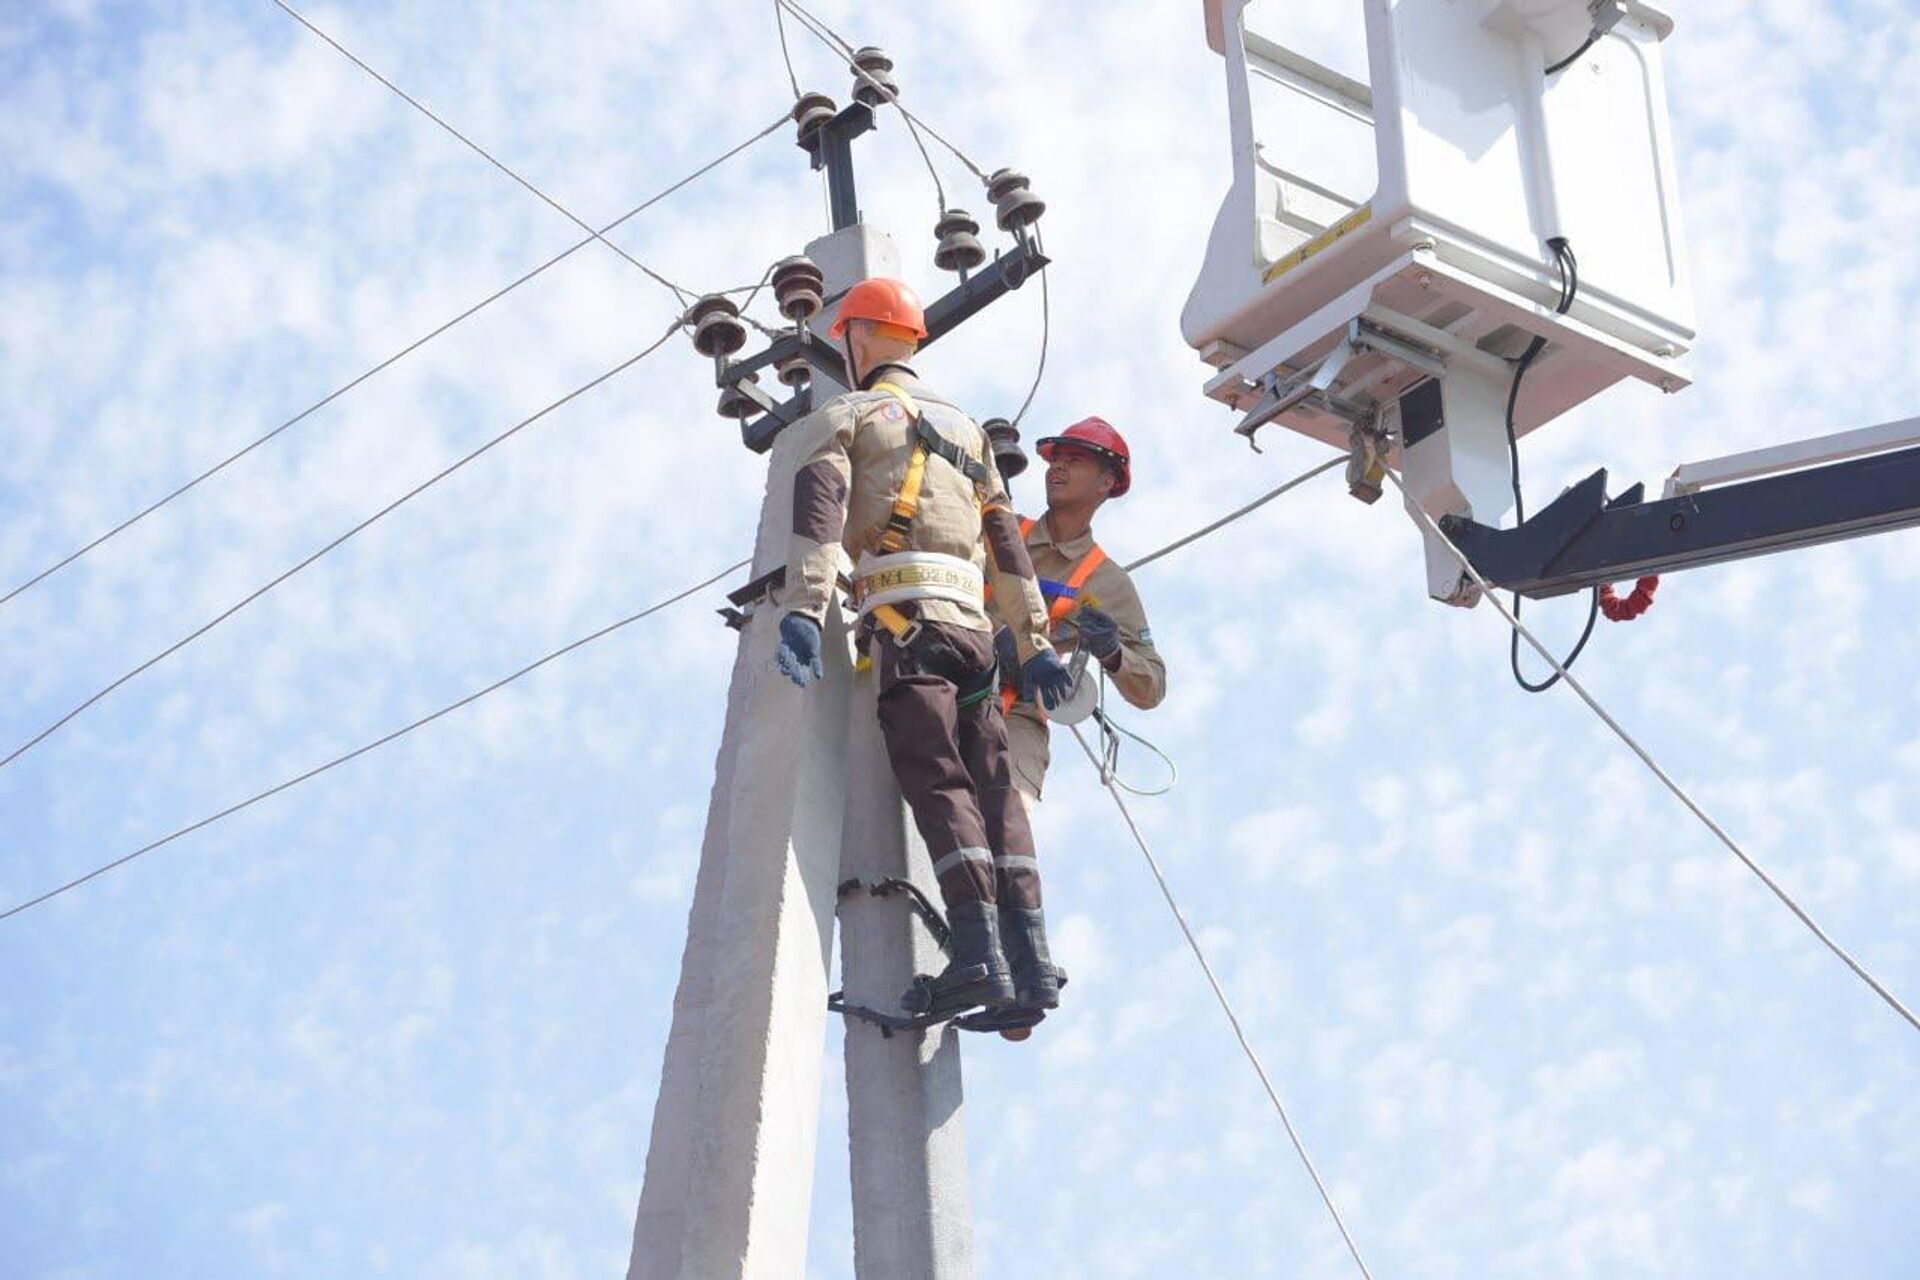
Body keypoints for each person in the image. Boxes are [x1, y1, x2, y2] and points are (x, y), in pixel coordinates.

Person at [773, 276, 1074, 1026]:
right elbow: (1008, 546)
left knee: (938, 781)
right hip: (977, 635)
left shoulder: (844, 417)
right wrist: (1035, 645)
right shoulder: (969, 432)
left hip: (909, 628)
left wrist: (806, 612)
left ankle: (978, 953)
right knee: (997, 791)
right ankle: (1030, 960)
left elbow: (818, 521)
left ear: (859, 335)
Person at [996, 417, 1167, 807]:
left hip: (1015, 714)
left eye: (1073, 460)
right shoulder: (1000, 531)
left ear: (1106, 482)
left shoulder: (1106, 582)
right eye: (1055, 459)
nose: (1057, 467)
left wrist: (1113, 653)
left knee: (1010, 821)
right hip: (953, 676)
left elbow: (1152, 685)